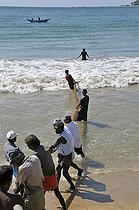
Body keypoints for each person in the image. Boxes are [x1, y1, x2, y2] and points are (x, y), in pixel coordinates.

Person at [24, 134, 66, 210]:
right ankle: (65, 208)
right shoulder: (46, 148)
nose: (28, 147)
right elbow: (52, 150)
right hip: (54, 176)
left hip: (46, 179)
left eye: (28, 145)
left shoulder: (35, 155)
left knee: (40, 197)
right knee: (58, 193)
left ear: (32, 145)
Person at [50, 121, 83, 192]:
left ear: (61, 128)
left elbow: (53, 146)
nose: (55, 130)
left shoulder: (61, 138)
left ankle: (72, 186)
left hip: (65, 157)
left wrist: (46, 152)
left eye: (57, 129)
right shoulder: (66, 129)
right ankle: (80, 170)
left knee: (64, 172)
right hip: (69, 152)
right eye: (54, 128)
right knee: (64, 167)